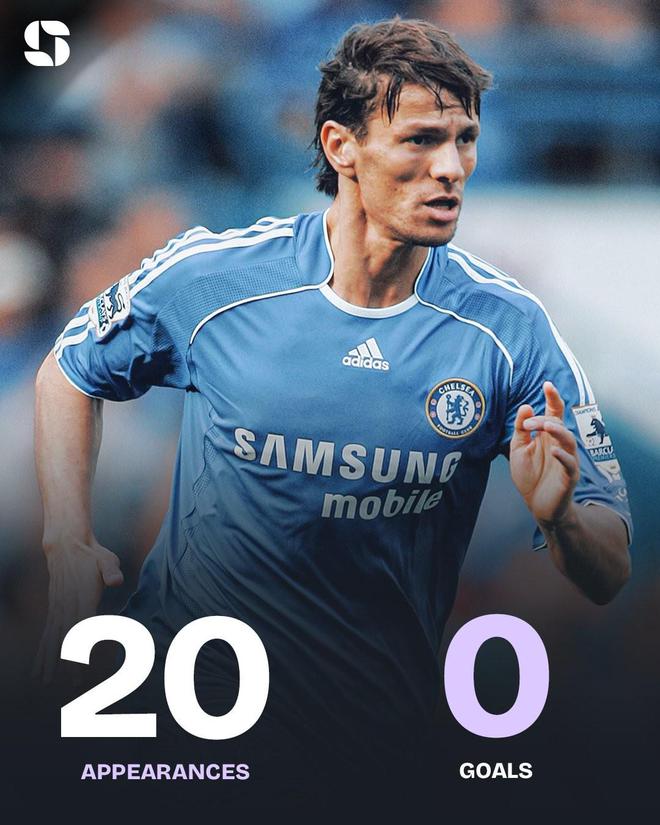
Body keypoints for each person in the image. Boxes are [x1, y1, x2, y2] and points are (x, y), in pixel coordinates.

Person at [34, 17, 632, 818]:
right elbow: (69, 369)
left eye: (464, 140)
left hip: (372, 740)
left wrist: (561, 520)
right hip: (191, 718)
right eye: (420, 140)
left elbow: (609, 567)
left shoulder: (509, 330)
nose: (451, 167)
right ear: (341, 146)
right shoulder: (215, 278)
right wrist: (67, 540)